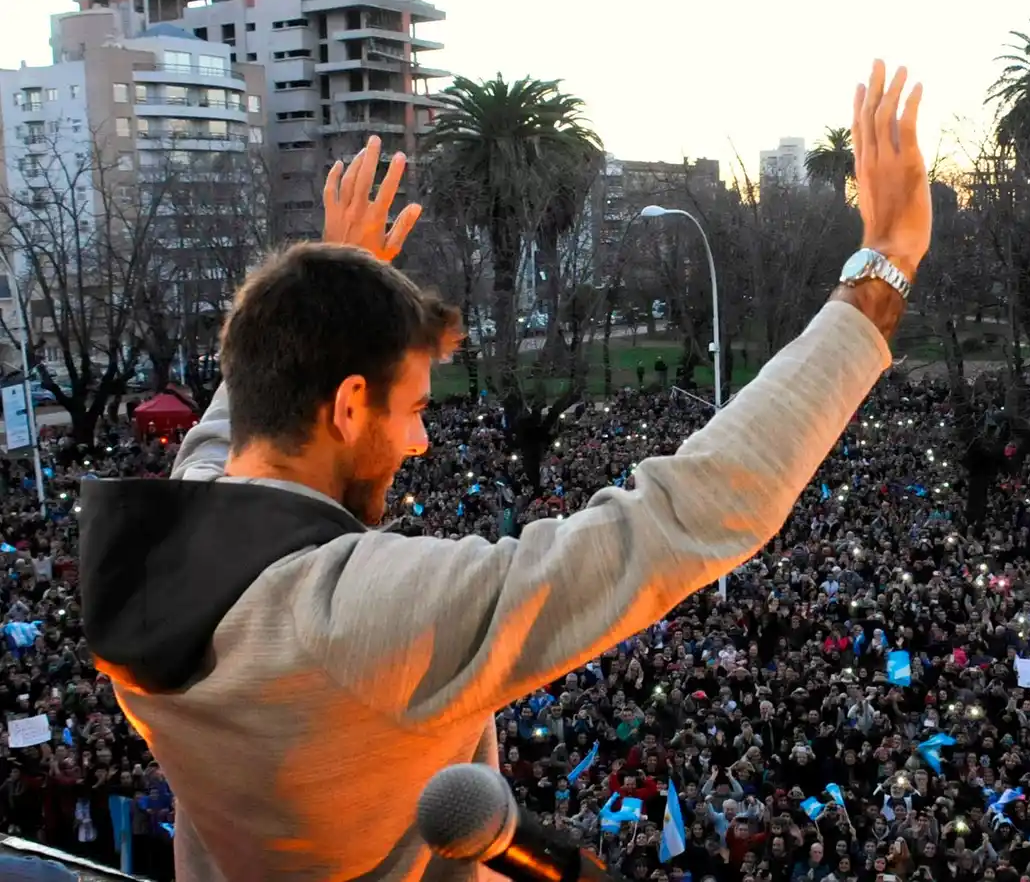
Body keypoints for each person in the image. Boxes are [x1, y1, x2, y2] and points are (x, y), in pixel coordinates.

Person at [76, 59, 929, 881]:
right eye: (412, 410)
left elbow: (235, 418)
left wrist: (325, 281)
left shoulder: (157, 548)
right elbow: (675, 520)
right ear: (345, 408)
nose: (422, 443)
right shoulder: (356, 618)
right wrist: (877, 278)